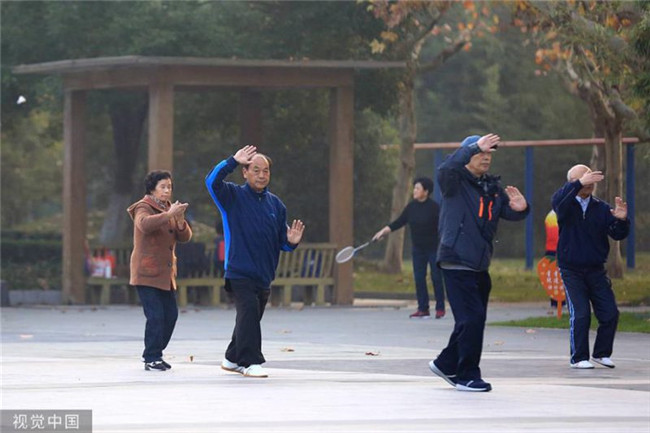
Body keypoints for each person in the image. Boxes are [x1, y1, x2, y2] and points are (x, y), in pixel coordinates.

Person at [428, 133, 530, 392]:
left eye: (489, 153)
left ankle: (445, 362)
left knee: (473, 319)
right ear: (467, 154)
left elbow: (505, 213)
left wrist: (521, 209)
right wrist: (472, 146)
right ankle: (467, 376)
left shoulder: (491, 187)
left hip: (480, 263)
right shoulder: (453, 181)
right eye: (480, 152)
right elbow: (445, 168)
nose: (486, 157)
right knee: (471, 319)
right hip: (455, 260)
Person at [205, 145, 304, 378]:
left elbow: (281, 242)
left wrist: (291, 242)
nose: (261, 175)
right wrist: (232, 160)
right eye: (256, 170)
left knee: (249, 317)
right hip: (239, 271)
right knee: (249, 312)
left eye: (265, 171)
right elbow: (211, 182)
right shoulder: (231, 196)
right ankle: (251, 362)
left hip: (264, 274)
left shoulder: (276, 205)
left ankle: (232, 358)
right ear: (245, 173)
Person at [551, 164, 629, 369]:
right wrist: (578, 184)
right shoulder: (565, 204)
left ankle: (601, 353)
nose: (587, 183)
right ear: (571, 182)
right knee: (581, 313)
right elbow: (558, 202)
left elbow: (618, 234)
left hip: (596, 269)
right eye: (582, 179)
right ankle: (578, 358)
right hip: (571, 269)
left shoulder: (601, 208)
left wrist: (621, 220)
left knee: (610, 313)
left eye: (589, 179)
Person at [127, 170, 192, 372]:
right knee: (155, 316)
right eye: (162, 186)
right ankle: (151, 357)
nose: (167, 190)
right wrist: (169, 215)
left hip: (165, 274)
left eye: (169, 187)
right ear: (152, 188)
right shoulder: (143, 206)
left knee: (170, 315)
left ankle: (155, 353)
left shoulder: (168, 208)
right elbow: (144, 225)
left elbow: (185, 237)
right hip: (146, 272)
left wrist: (179, 220)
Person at [372, 177, 446, 319]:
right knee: (419, 278)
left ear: (426, 191)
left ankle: (440, 308)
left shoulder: (434, 208)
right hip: (418, 250)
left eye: (418, 188)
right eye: (414, 188)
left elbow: (443, 227)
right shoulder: (411, 207)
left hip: (434, 249)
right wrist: (382, 232)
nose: (414, 191)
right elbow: (399, 222)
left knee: (436, 277)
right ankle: (423, 309)